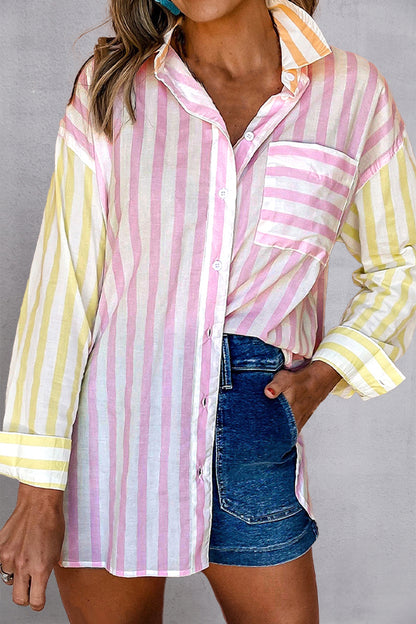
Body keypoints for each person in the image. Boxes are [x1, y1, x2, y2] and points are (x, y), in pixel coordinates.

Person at [0, 0, 415, 621]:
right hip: (113, 431)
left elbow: (401, 262)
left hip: (253, 423)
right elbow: (64, 287)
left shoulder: (351, 92)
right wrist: (37, 493)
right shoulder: (113, 87)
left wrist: (329, 371)